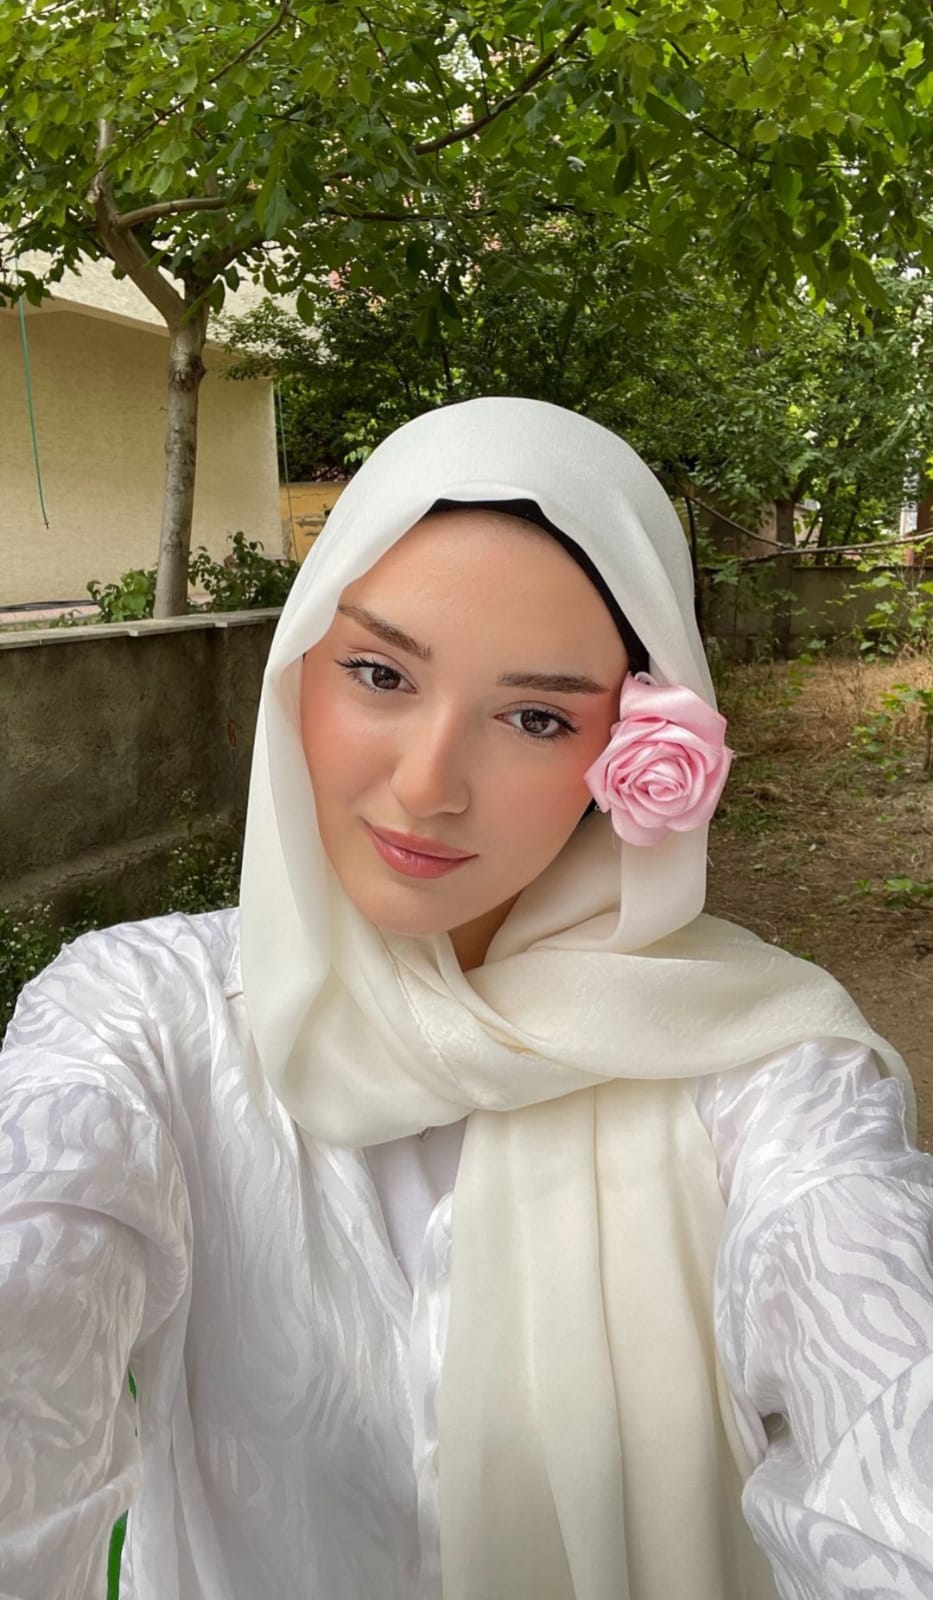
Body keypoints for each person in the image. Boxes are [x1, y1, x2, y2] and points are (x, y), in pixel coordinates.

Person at [1, 396, 932, 1600]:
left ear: (629, 749)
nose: (429, 785)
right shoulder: (144, 1022)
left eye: (536, 716)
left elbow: (889, 1401)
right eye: (379, 673)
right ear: (296, 670)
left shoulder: (761, 1064)